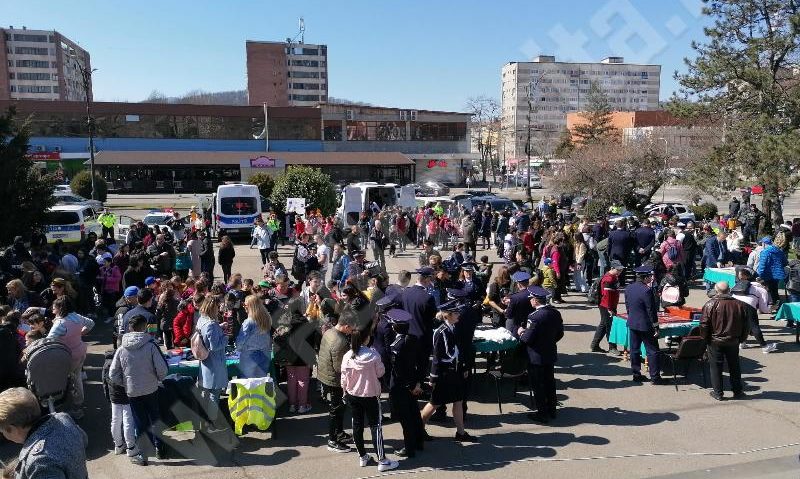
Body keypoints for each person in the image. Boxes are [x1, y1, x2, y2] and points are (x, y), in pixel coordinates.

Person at [109, 314, 168, 465]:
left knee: (139, 422)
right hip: (151, 389)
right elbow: (162, 369)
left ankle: (143, 454)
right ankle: (160, 448)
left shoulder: (122, 348)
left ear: (130, 327)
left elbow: (112, 374)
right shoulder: (151, 345)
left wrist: (126, 383)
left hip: (132, 391)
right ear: (144, 327)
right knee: (155, 418)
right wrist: (158, 379)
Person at [340, 328, 400, 472]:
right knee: (375, 427)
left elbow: (343, 377)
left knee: (357, 425)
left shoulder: (347, 355)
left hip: (353, 394)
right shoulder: (373, 355)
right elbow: (381, 372)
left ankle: (362, 456)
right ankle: (382, 460)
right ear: (366, 339)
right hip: (370, 395)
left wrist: (344, 391)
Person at [0, 387, 88, 479]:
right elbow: (84, 439)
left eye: (2, 431)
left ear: (12, 429)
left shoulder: (39, 461)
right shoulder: (63, 418)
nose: (3, 435)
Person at [419, 301, 476, 442]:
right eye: (456, 313)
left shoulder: (452, 328)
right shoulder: (441, 332)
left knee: (458, 400)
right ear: (447, 316)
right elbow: (437, 358)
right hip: (444, 375)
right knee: (434, 403)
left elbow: (457, 351)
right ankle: (418, 429)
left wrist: (462, 367)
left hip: (453, 373)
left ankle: (461, 433)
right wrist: (433, 379)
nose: (458, 315)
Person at [518, 285, 564, 423]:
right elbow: (560, 333)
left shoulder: (534, 317)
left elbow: (527, 339)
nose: (530, 301)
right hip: (549, 352)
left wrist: (520, 332)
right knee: (550, 382)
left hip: (536, 356)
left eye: (531, 299)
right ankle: (552, 409)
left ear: (536, 300)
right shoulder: (555, 313)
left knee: (538, 385)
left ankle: (542, 413)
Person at [45, 297, 95, 418]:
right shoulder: (76, 316)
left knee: (70, 382)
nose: (52, 310)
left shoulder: (60, 324)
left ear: (60, 308)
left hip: (68, 356)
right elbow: (91, 323)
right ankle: (79, 404)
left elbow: (48, 341)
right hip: (80, 351)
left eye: (54, 307)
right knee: (77, 378)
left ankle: (74, 408)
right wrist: (81, 333)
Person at [700, 282, 751, 400]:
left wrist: (705, 339)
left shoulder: (710, 304)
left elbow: (704, 324)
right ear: (729, 290)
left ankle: (718, 393)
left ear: (716, 290)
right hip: (733, 340)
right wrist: (741, 339)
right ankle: (737, 391)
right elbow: (746, 325)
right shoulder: (740, 304)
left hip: (715, 340)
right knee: (734, 366)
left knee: (716, 366)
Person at [387, 308, 425, 458]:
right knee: (414, 414)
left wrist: (409, 385)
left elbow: (398, 371)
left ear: (394, 326)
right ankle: (418, 441)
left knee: (405, 419)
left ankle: (409, 448)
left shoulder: (396, 346)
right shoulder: (414, 339)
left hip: (400, 387)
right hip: (413, 384)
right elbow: (421, 362)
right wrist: (417, 383)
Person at [317, 314, 354, 453]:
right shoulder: (340, 341)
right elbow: (340, 368)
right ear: (346, 326)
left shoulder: (329, 331)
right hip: (334, 380)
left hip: (325, 376)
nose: (352, 332)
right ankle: (332, 440)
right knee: (336, 410)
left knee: (338, 408)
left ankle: (339, 433)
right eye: (352, 329)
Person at [625, 265, 666, 384]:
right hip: (645, 325)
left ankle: (636, 374)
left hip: (633, 323)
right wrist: (656, 326)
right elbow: (651, 311)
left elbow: (628, 306)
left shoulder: (629, 288)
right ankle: (655, 377)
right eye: (650, 276)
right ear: (646, 277)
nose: (652, 278)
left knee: (634, 350)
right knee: (652, 351)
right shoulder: (646, 290)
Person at [195, 296, 229, 431]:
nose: (219, 309)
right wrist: (225, 338)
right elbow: (215, 346)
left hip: (205, 362)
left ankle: (204, 422)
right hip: (214, 363)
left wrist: (219, 328)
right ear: (213, 308)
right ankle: (212, 424)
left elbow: (206, 335)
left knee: (205, 392)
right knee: (214, 394)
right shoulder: (211, 324)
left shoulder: (201, 320)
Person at [730, 267, 774, 352]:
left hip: (733, 304)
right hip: (748, 305)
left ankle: (742, 343)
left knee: (741, 324)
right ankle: (765, 347)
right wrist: (771, 309)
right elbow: (763, 309)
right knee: (754, 326)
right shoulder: (762, 290)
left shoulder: (739, 284)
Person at [591, 260, 625, 354]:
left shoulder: (613, 277)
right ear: (612, 268)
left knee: (604, 324)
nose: (620, 271)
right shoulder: (609, 279)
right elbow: (607, 296)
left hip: (607, 305)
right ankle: (612, 347)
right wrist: (610, 309)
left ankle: (594, 345)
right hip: (607, 306)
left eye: (621, 269)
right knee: (611, 326)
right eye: (618, 269)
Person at [235, 295, 273, 378]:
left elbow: (241, 341)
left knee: (247, 383)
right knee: (260, 383)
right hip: (265, 353)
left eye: (245, 305)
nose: (244, 307)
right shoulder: (267, 318)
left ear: (250, 306)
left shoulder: (248, 322)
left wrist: (237, 349)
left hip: (250, 355)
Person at [756, 237, 787, 310]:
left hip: (767, 275)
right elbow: (785, 262)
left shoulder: (765, 252)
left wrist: (758, 275)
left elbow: (762, 265)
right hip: (778, 275)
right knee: (774, 291)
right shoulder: (779, 251)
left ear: (764, 243)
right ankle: (777, 306)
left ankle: (768, 307)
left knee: (765, 291)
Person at [504, 271, 533, 338]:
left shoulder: (515, 297)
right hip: (532, 324)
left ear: (518, 284)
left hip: (519, 326)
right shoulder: (534, 293)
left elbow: (509, 315)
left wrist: (509, 305)